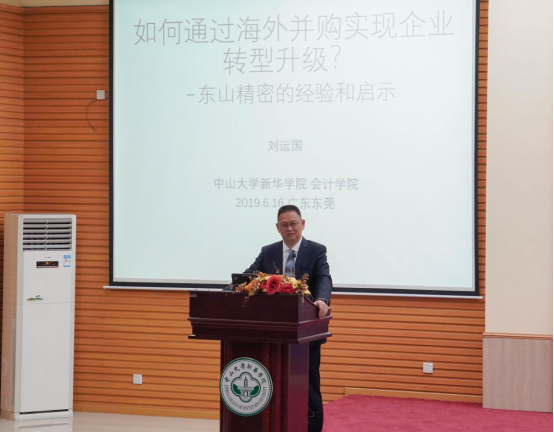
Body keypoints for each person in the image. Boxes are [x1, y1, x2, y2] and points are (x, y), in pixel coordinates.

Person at [244, 205, 332, 432]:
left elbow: (324, 278)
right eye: (284, 225)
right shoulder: (268, 252)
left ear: (303, 224)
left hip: (306, 330)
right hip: (273, 332)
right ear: (277, 228)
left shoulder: (316, 250)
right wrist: (232, 289)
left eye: (293, 223)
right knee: (274, 382)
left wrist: (322, 299)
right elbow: (247, 278)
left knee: (308, 385)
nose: (290, 228)